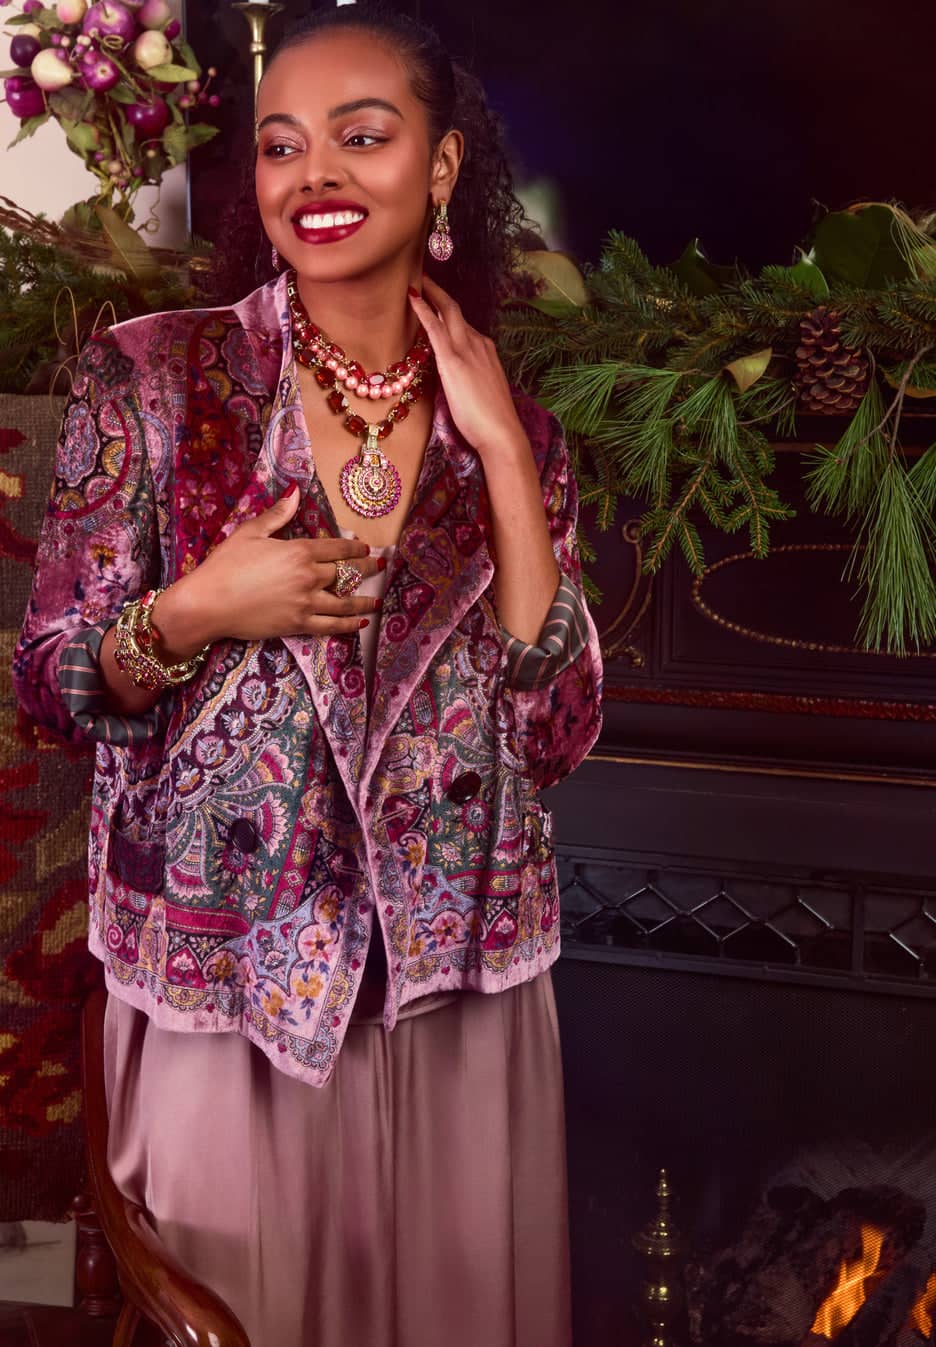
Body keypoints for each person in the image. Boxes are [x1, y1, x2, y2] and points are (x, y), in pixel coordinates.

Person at [13, 6, 603, 1345]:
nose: (314, 174)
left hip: (465, 1000)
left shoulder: (516, 432)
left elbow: (559, 730)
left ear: (443, 170)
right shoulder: (158, 379)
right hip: (223, 999)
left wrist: (506, 457)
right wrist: (195, 609)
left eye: (362, 136)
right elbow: (51, 684)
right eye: (283, 145)